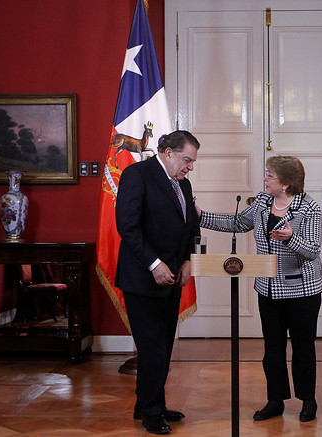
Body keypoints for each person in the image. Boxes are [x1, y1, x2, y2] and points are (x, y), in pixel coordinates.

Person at [196, 155, 322, 423]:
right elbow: (238, 224)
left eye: (269, 176)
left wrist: (291, 239)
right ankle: (275, 401)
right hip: (268, 289)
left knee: (302, 349)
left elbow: (312, 251)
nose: (264, 179)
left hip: (302, 290)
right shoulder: (263, 202)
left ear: (287, 184)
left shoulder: (308, 207)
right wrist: (200, 216)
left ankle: (307, 401)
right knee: (272, 349)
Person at [115, 130, 200, 435]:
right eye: (187, 160)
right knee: (151, 347)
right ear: (167, 152)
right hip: (143, 277)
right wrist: (154, 264)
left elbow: (190, 225)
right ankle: (152, 412)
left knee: (162, 347)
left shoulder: (183, 184)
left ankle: (149, 404)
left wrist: (190, 258)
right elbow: (127, 225)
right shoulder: (137, 175)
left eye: (192, 161)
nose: (190, 167)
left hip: (173, 278)